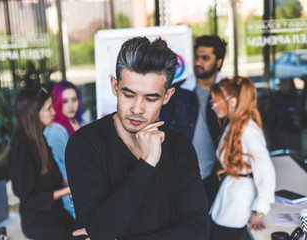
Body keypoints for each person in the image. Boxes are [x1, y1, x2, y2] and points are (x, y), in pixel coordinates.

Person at [65, 37, 209, 240]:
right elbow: (101, 229)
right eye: (129, 95)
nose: (137, 109)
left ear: (167, 96)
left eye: (151, 98)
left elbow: (198, 229)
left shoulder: (179, 147)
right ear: (115, 86)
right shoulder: (84, 144)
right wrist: (147, 163)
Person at [160, 35, 228, 208]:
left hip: (216, 175)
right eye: (197, 57)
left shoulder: (229, 94)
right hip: (181, 175)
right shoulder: (177, 91)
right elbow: (163, 132)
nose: (199, 62)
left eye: (205, 58)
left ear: (218, 62)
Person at [209, 76, 276, 240]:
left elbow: (266, 172)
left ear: (232, 101)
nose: (213, 107)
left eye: (215, 102)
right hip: (230, 196)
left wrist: (259, 211)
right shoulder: (233, 125)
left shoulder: (248, 131)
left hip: (239, 203)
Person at [8, 87, 75, 240]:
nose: (54, 112)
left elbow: (48, 180)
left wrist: (68, 182)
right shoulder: (21, 148)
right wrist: (67, 190)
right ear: (34, 113)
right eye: (48, 108)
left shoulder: (39, 140)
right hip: (39, 222)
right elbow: (29, 197)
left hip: (56, 214)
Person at [44, 80, 84, 219]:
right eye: (65, 101)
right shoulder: (56, 130)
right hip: (68, 194)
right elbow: (75, 163)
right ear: (57, 103)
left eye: (74, 99)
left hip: (80, 188)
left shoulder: (79, 121)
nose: (71, 105)